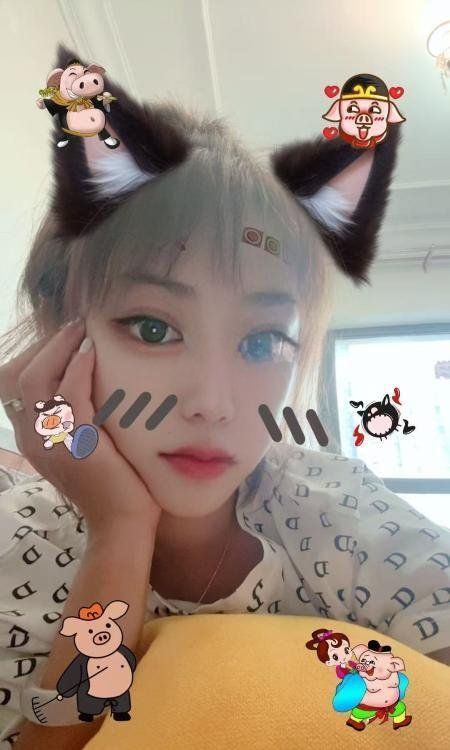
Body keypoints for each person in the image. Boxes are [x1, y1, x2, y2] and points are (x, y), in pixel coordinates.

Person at [0, 43, 449, 749]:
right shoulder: (15, 543)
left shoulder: (334, 504)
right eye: (153, 327)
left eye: (263, 342)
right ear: (54, 335)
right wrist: (120, 531)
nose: (214, 403)